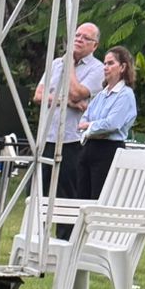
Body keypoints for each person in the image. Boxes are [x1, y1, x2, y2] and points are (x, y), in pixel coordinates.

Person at [32, 22, 103, 201]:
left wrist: (70, 65)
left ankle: (64, 222)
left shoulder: (98, 69)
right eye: (77, 35)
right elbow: (38, 95)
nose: (79, 40)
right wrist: (66, 102)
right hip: (47, 137)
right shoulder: (56, 64)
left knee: (67, 195)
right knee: (37, 192)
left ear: (95, 45)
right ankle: (37, 221)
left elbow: (76, 93)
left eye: (85, 38)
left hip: (73, 140)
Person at [76, 46, 139, 199]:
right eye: (104, 63)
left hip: (108, 151)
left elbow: (112, 124)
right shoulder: (101, 95)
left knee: (99, 198)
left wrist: (90, 127)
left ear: (122, 67)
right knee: (81, 197)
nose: (105, 67)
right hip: (89, 148)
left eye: (110, 63)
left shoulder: (125, 95)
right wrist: (93, 130)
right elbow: (83, 119)